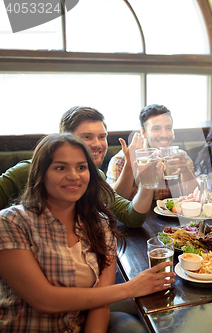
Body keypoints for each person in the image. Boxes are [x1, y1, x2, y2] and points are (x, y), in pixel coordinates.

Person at [0, 133, 175, 333]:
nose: (74, 175)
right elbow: (43, 300)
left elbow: (102, 301)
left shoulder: (99, 224)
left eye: (81, 167)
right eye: (60, 167)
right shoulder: (12, 222)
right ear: (41, 173)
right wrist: (130, 288)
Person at [0, 106, 153, 228]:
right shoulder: (25, 171)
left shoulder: (94, 176)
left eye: (102, 137)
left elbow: (127, 214)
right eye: (87, 137)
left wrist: (144, 175)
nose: (97, 144)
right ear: (66, 137)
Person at [107, 104, 197, 200]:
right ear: (143, 133)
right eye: (156, 129)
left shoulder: (181, 157)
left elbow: (195, 198)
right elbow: (113, 203)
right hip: (136, 215)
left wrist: (185, 171)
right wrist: (130, 167)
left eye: (168, 128)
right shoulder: (122, 160)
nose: (164, 134)